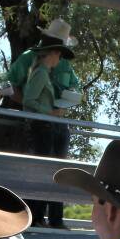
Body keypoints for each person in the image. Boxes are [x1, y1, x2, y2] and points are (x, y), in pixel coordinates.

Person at [7, 18, 81, 226]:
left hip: (55, 124)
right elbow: (19, 91)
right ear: (54, 49)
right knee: (42, 170)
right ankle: (36, 217)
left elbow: (76, 87)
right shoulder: (31, 63)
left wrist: (65, 104)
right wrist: (44, 112)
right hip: (40, 123)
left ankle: (55, 220)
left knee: (59, 171)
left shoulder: (53, 65)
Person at [20, 37, 74, 228]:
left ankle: (39, 217)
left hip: (45, 127)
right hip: (41, 128)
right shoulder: (41, 73)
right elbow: (29, 100)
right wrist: (50, 112)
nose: (59, 57)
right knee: (46, 172)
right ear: (52, 54)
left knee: (47, 171)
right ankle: (38, 217)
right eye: (58, 53)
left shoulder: (43, 73)